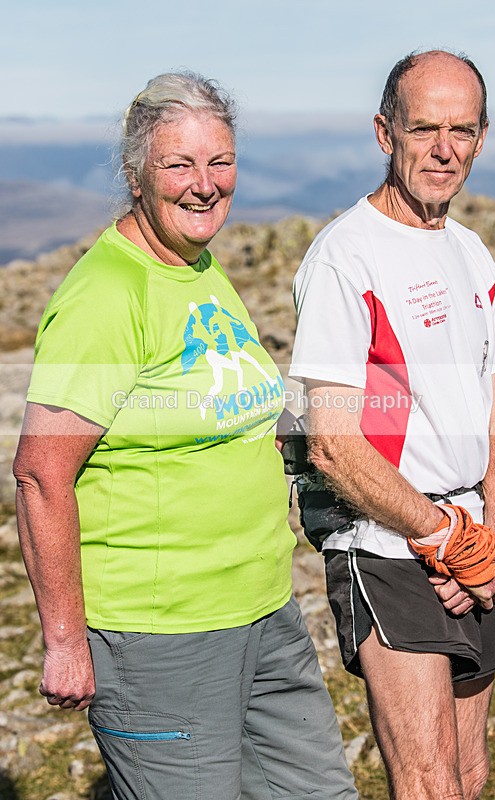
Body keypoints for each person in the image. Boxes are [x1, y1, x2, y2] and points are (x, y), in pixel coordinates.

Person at [13, 72, 359, 800]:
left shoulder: (198, 269)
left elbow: (235, 411)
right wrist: (68, 643)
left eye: (219, 162)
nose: (203, 185)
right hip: (158, 635)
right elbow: (42, 474)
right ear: (135, 175)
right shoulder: (108, 295)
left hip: (263, 610)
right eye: (178, 165)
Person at [288, 50, 495, 800]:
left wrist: (488, 542)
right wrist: (444, 539)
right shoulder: (343, 258)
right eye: (423, 128)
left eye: (460, 129)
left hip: (470, 544)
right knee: (427, 784)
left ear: (482, 137)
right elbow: (331, 442)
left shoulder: (468, 249)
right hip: (388, 549)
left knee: (470, 773)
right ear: (384, 130)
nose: (443, 149)